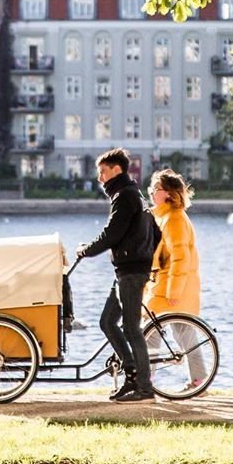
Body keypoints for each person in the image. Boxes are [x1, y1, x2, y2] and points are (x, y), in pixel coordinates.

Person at [75, 147, 155, 402]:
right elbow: (155, 232)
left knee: (132, 328)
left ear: (116, 170)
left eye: (103, 172)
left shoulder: (125, 196)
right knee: (107, 322)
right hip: (126, 269)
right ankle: (131, 373)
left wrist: (86, 250)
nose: (100, 178)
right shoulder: (133, 194)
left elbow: (112, 234)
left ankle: (144, 387)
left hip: (131, 271)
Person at [144, 169, 206, 388]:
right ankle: (198, 380)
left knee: (153, 331)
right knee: (181, 332)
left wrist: (173, 292)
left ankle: (146, 379)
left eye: (156, 189)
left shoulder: (174, 219)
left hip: (173, 288)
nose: (151, 192)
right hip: (165, 285)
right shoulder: (165, 216)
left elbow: (180, 259)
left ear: (168, 193)